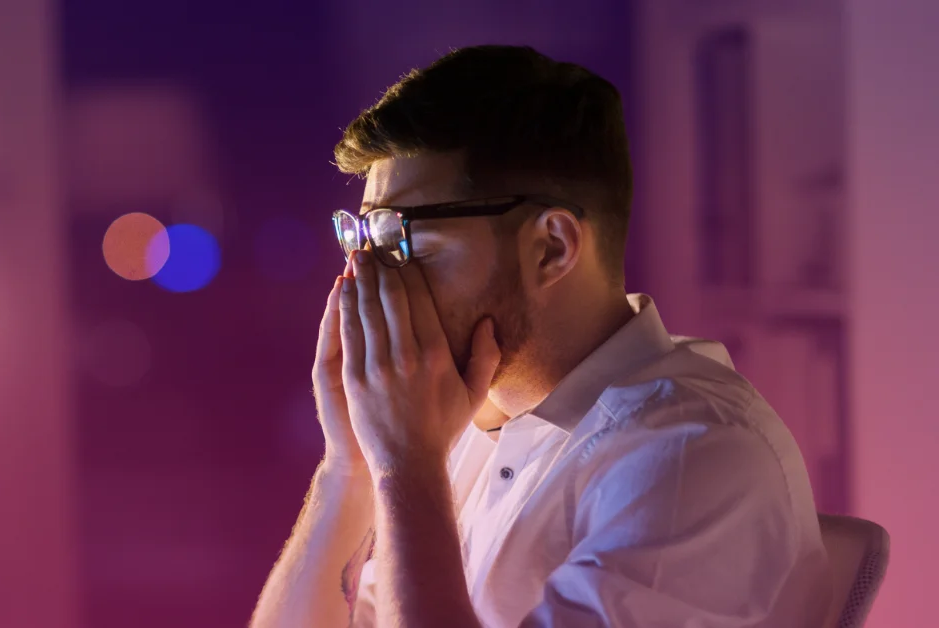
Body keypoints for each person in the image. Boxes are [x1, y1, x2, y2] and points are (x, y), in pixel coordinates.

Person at [249, 45, 830, 628]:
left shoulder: (690, 457)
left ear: (551, 247)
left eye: (400, 239)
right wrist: (349, 463)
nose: (367, 281)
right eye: (361, 240)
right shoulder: (467, 431)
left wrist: (407, 468)